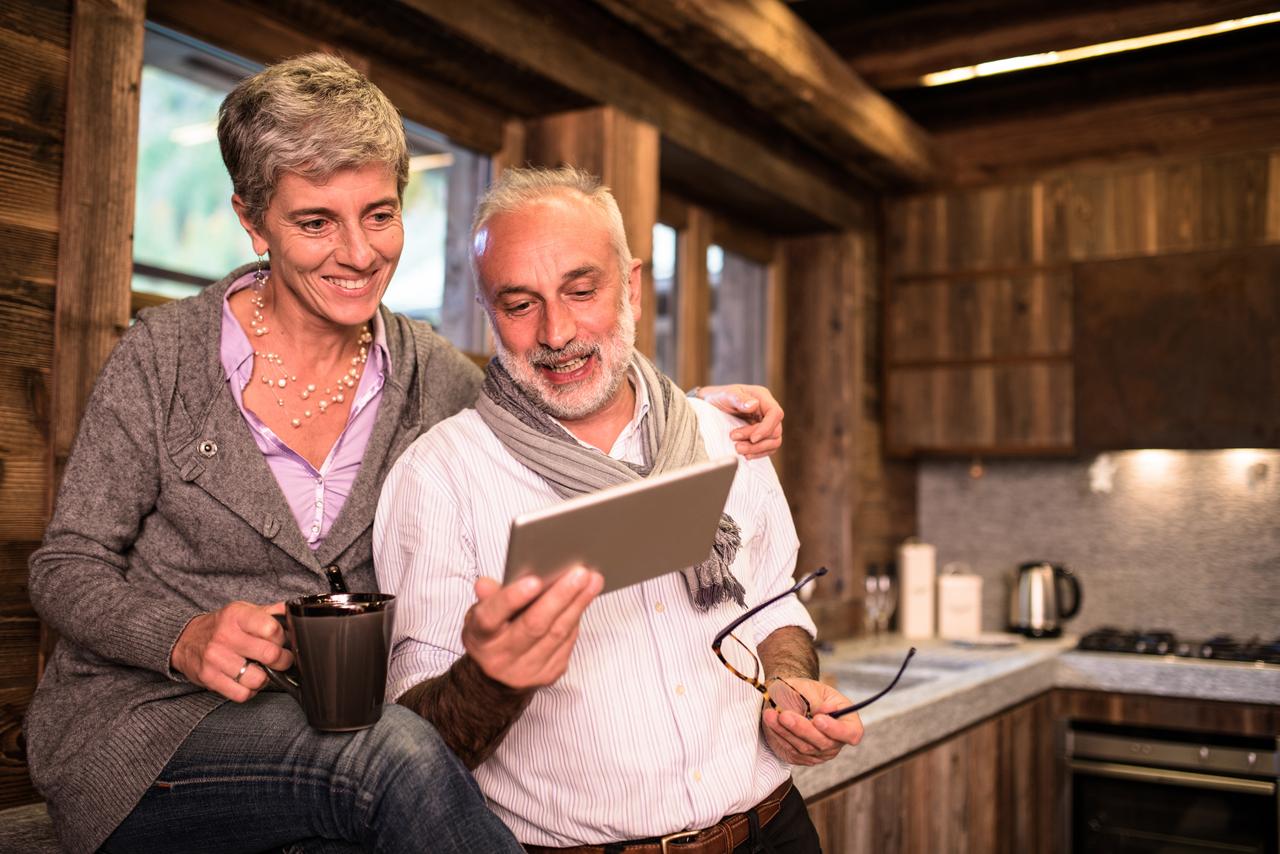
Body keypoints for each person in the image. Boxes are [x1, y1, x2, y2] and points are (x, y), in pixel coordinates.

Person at [25, 55, 784, 854]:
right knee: (397, 753)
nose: (358, 253)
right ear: (252, 223)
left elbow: (552, 370)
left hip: (318, 743)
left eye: (379, 214)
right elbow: (66, 565)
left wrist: (692, 406)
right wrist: (180, 636)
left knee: (389, 759)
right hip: (149, 740)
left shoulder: (433, 378)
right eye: (316, 222)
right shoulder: (164, 359)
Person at [373, 166, 863, 853]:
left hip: (773, 831)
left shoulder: (727, 437)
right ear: (487, 312)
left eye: (582, 289)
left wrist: (787, 688)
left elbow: (776, 605)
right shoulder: (438, 478)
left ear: (630, 284)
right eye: (519, 304)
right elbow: (415, 751)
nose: (557, 331)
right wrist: (493, 679)